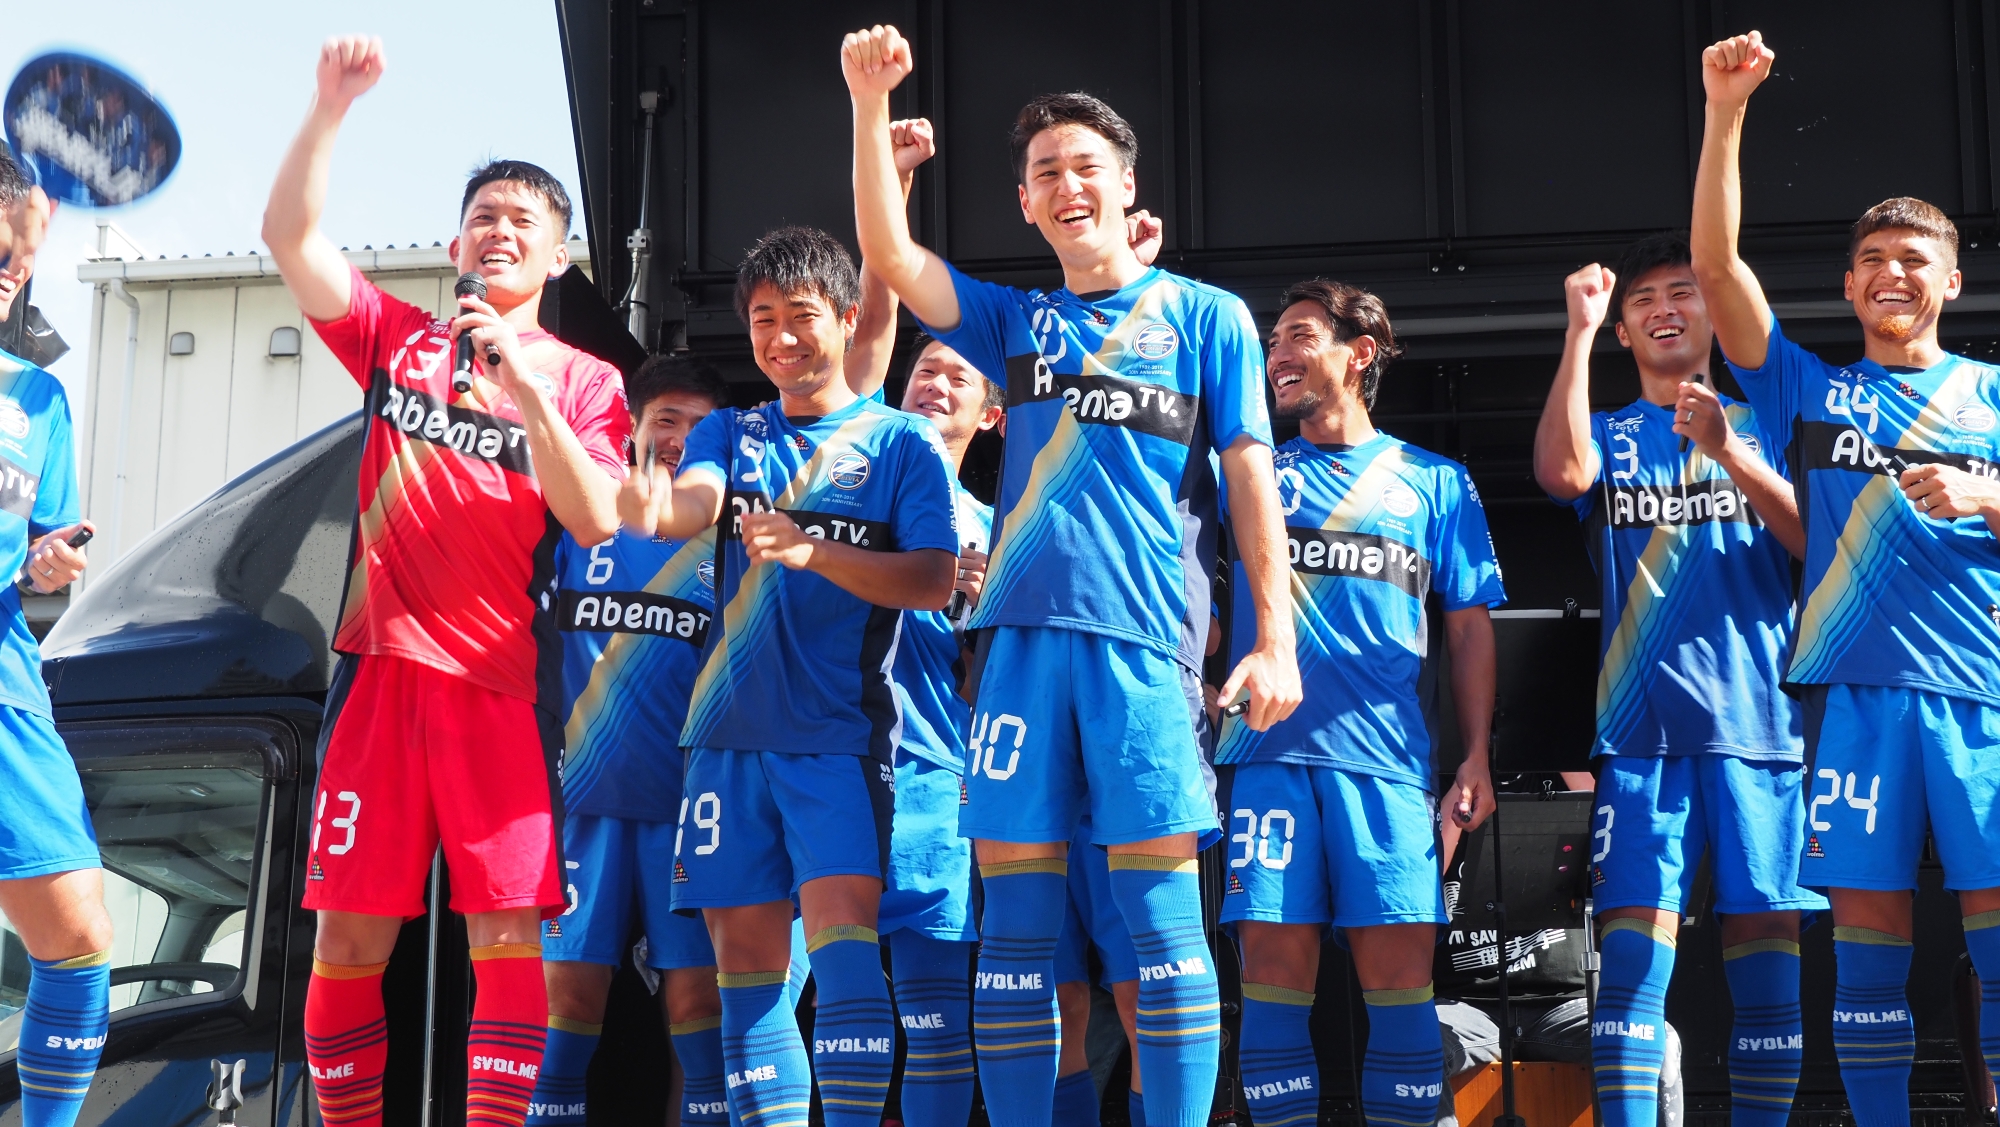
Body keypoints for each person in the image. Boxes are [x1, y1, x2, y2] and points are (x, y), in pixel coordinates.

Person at [844, 26, 1302, 1127]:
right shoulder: (1016, 320)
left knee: (1161, 928)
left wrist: (1274, 637)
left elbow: (1251, 480)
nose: (1066, 184)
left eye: (1084, 165)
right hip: (1015, 650)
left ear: (1126, 185)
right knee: (1014, 937)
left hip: (1143, 648)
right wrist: (867, 106)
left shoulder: (1206, 316)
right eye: (1044, 171)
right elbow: (894, 258)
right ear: (1024, 203)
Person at [263, 37, 633, 1127]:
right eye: (482, 216)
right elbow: (289, 238)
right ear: (456, 240)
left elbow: (595, 514)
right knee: (346, 938)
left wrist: (523, 379)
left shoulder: (587, 381)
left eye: (523, 219)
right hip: (378, 673)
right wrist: (328, 106)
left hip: (498, 685)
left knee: (506, 935)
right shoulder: (397, 340)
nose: (499, 229)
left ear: (557, 256)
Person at [1691, 30, 2000, 1127]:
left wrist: (1989, 495)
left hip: (1984, 702)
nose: (1890, 273)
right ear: (1847, 285)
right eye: (1871, 258)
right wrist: (1725, 110)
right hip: (1854, 704)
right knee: (1867, 965)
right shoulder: (1807, 391)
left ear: (1951, 281)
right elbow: (1718, 272)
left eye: (1913, 258)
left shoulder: (1992, 395)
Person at [621, 225, 959, 1127]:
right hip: (724, 743)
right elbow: (693, 503)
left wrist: (812, 550)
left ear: (846, 318)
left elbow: (933, 579)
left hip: (838, 739)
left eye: (800, 315)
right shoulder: (731, 431)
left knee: (847, 963)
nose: (780, 337)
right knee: (748, 985)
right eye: (763, 319)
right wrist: (658, 506)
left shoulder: (902, 442)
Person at [1533, 230, 1821, 1127]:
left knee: (1767, 965)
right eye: (1644, 299)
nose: (1665, 308)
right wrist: (1578, 331)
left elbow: (1819, 544)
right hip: (1641, 740)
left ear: (1713, 311)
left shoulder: (1769, 420)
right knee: (1628, 973)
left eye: (1682, 292)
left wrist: (1729, 449)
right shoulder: (1610, 432)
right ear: (1625, 328)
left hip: (1761, 734)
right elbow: (1559, 472)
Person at [1215, 281, 1504, 1127]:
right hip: (1266, 758)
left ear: (1361, 352)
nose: (1278, 354)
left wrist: (1476, 754)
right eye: (1271, 342)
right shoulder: (1250, 471)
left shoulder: (1436, 481)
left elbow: (1468, 629)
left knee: (1403, 985)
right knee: (1272, 980)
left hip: (1386, 765)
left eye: (1299, 336)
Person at [524, 356, 730, 1127]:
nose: (680, 437)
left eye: (699, 426)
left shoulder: (728, 538)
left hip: (690, 810)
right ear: (632, 430)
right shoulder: (581, 522)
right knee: (565, 1007)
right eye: (665, 420)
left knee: (697, 1007)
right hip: (584, 804)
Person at [0, 146, 115, 1127]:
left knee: (79, 937)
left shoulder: (39, 399)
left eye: (20, 259)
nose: (10, 272)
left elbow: (42, 547)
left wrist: (45, 566)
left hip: (6, 676)